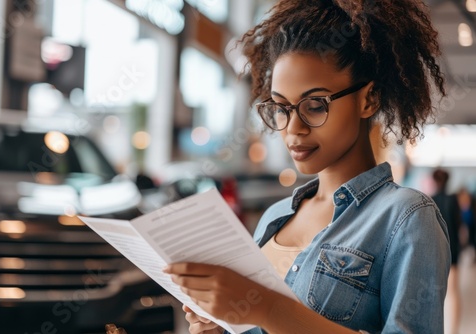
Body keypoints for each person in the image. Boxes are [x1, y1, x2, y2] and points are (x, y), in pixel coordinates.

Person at [163, 0, 451, 333]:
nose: (292, 128)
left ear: (368, 99)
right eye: (282, 108)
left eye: (315, 106)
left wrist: (267, 308)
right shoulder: (274, 218)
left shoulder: (406, 218)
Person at [431, 169, 462, 334]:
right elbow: (459, 227)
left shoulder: (429, 201)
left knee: (435, 295)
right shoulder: (453, 199)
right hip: (453, 251)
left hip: (435, 252)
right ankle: (453, 331)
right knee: (453, 292)